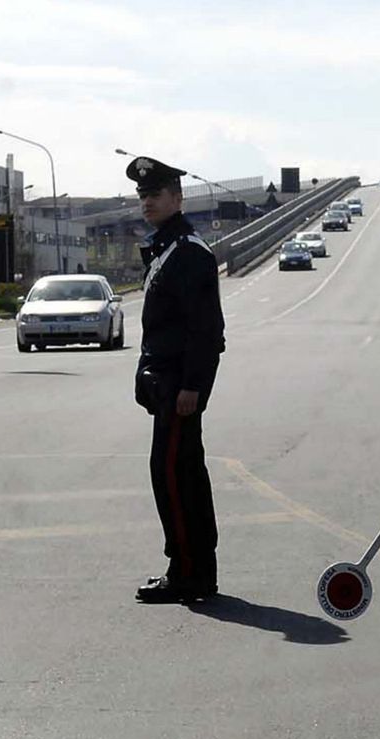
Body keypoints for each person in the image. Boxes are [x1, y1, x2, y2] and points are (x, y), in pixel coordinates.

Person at [127, 156, 225, 604]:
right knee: (180, 474)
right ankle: (195, 568)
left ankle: (187, 570)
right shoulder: (168, 248)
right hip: (166, 385)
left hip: (178, 389)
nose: (148, 202)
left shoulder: (187, 252)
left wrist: (192, 387)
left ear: (177, 198)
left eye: (156, 194)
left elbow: (206, 330)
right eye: (143, 195)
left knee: (173, 475)